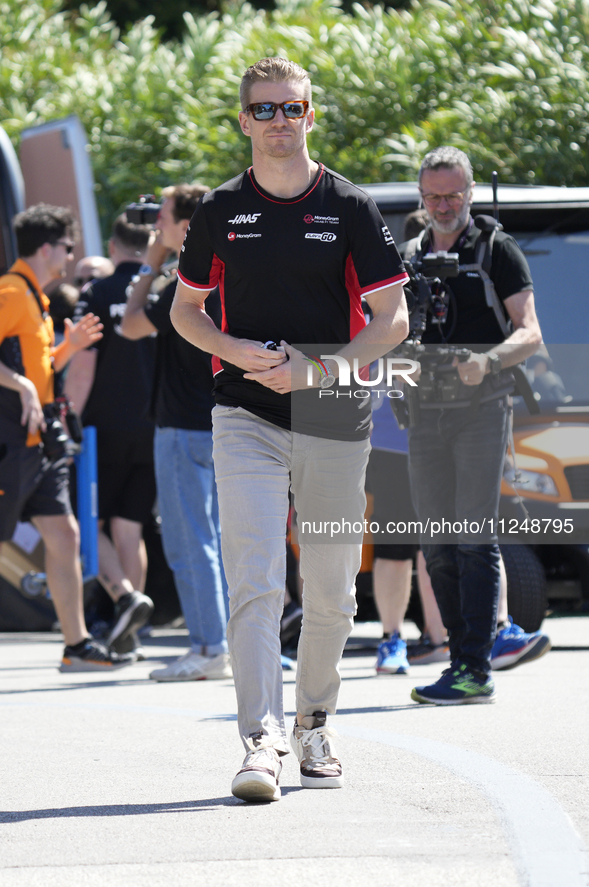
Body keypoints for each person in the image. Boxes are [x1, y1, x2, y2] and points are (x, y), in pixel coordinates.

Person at [170, 57, 409, 802]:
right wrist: (233, 349)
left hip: (334, 412)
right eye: (264, 110)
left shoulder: (349, 206)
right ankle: (261, 738)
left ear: (311, 114)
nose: (279, 121)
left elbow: (390, 321)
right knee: (254, 581)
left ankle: (312, 720)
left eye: (291, 109)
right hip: (244, 414)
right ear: (244, 121)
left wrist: (316, 369)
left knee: (333, 591)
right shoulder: (218, 209)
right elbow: (186, 311)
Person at [403, 146, 545, 705]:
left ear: (470, 193)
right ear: (422, 196)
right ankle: (459, 662)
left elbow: (530, 331)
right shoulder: (410, 251)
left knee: (472, 535)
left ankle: (474, 667)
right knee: (436, 543)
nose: (443, 205)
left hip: (482, 408)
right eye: (433, 196)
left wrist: (485, 361)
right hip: (423, 412)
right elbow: (390, 325)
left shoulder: (496, 249)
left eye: (453, 195)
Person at [0, 203, 133, 671]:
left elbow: (33, 370)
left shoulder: (35, 296)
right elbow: (18, 378)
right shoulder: (12, 292)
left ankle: (76, 645)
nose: (71, 255)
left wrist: (67, 349)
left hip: (38, 446)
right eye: (68, 247)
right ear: (46, 248)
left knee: (65, 533)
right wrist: (19, 387)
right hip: (11, 444)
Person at [119, 183, 231, 681]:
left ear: (187, 227)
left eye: (163, 219)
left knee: (191, 544)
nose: (155, 227)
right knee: (223, 541)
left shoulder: (185, 288)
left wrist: (151, 260)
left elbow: (129, 324)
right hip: (223, 423)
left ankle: (210, 647)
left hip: (184, 428)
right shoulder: (230, 275)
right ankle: (228, 643)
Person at [65, 214, 155, 653]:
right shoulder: (160, 291)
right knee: (130, 527)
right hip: (155, 425)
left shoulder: (96, 294)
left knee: (85, 521)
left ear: (114, 246)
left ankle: (124, 597)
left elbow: (82, 368)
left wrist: (67, 423)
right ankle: (130, 634)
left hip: (103, 428)